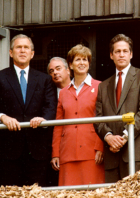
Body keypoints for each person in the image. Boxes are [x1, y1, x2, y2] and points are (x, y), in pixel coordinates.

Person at [0, 34, 57, 187]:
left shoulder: (44, 79)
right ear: (11, 52)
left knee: (35, 195)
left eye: (26, 47)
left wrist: (44, 119)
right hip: (7, 150)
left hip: (37, 150)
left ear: (32, 53)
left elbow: (51, 106)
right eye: (18, 47)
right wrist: (3, 118)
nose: (22, 51)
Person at [94, 34, 140, 183]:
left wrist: (124, 137)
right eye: (117, 51)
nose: (121, 54)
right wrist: (108, 137)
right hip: (112, 156)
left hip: (136, 154)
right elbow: (98, 118)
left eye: (125, 51)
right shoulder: (103, 86)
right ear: (111, 55)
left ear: (131, 54)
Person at [51, 44, 104, 186]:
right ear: (70, 65)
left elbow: (103, 119)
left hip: (91, 151)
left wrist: (100, 147)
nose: (82, 63)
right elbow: (58, 125)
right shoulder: (63, 92)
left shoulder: (100, 87)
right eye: (78, 60)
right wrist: (55, 153)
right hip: (67, 152)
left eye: (85, 60)